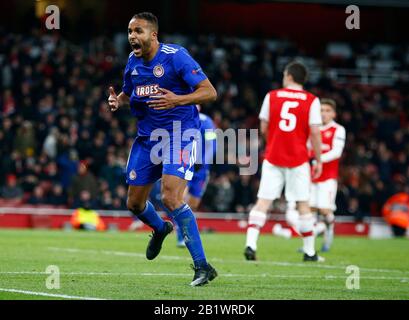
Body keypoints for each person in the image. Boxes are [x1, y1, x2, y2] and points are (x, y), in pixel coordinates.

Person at [107, 12, 218, 286]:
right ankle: (160, 228)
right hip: (147, 139)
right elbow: (129, 92)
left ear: (153, 35)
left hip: (180, 135)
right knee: (133, 203)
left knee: (170, 198)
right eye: (130, 31)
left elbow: (210, 92)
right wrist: (118, 102)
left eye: (139, 31)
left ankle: (203, 267)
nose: (133, 36)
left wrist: (178, 100)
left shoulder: (176, 56)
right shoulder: (132, 62)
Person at [244, 61, 324, 262]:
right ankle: (309, 252)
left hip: (274, 156)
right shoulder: (312, 100)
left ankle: (251, 244)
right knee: (303, 205)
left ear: (289, 76)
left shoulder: (272, 96)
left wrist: (272, 142)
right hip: (299, 158)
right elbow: (315, 132)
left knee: (263, 202)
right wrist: (319, 159)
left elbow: (263, 126)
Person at [309, 98, 346, 251]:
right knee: (310, 210)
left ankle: (329, 230)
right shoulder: (312, 129)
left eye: (327, 110)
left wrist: (317, 160)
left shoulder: (338, 129)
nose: (324, 114)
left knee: (325, 210)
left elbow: (336, 152)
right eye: (321, 110)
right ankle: (308, 245)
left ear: (334, 114)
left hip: (328, 177)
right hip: (312, 176)